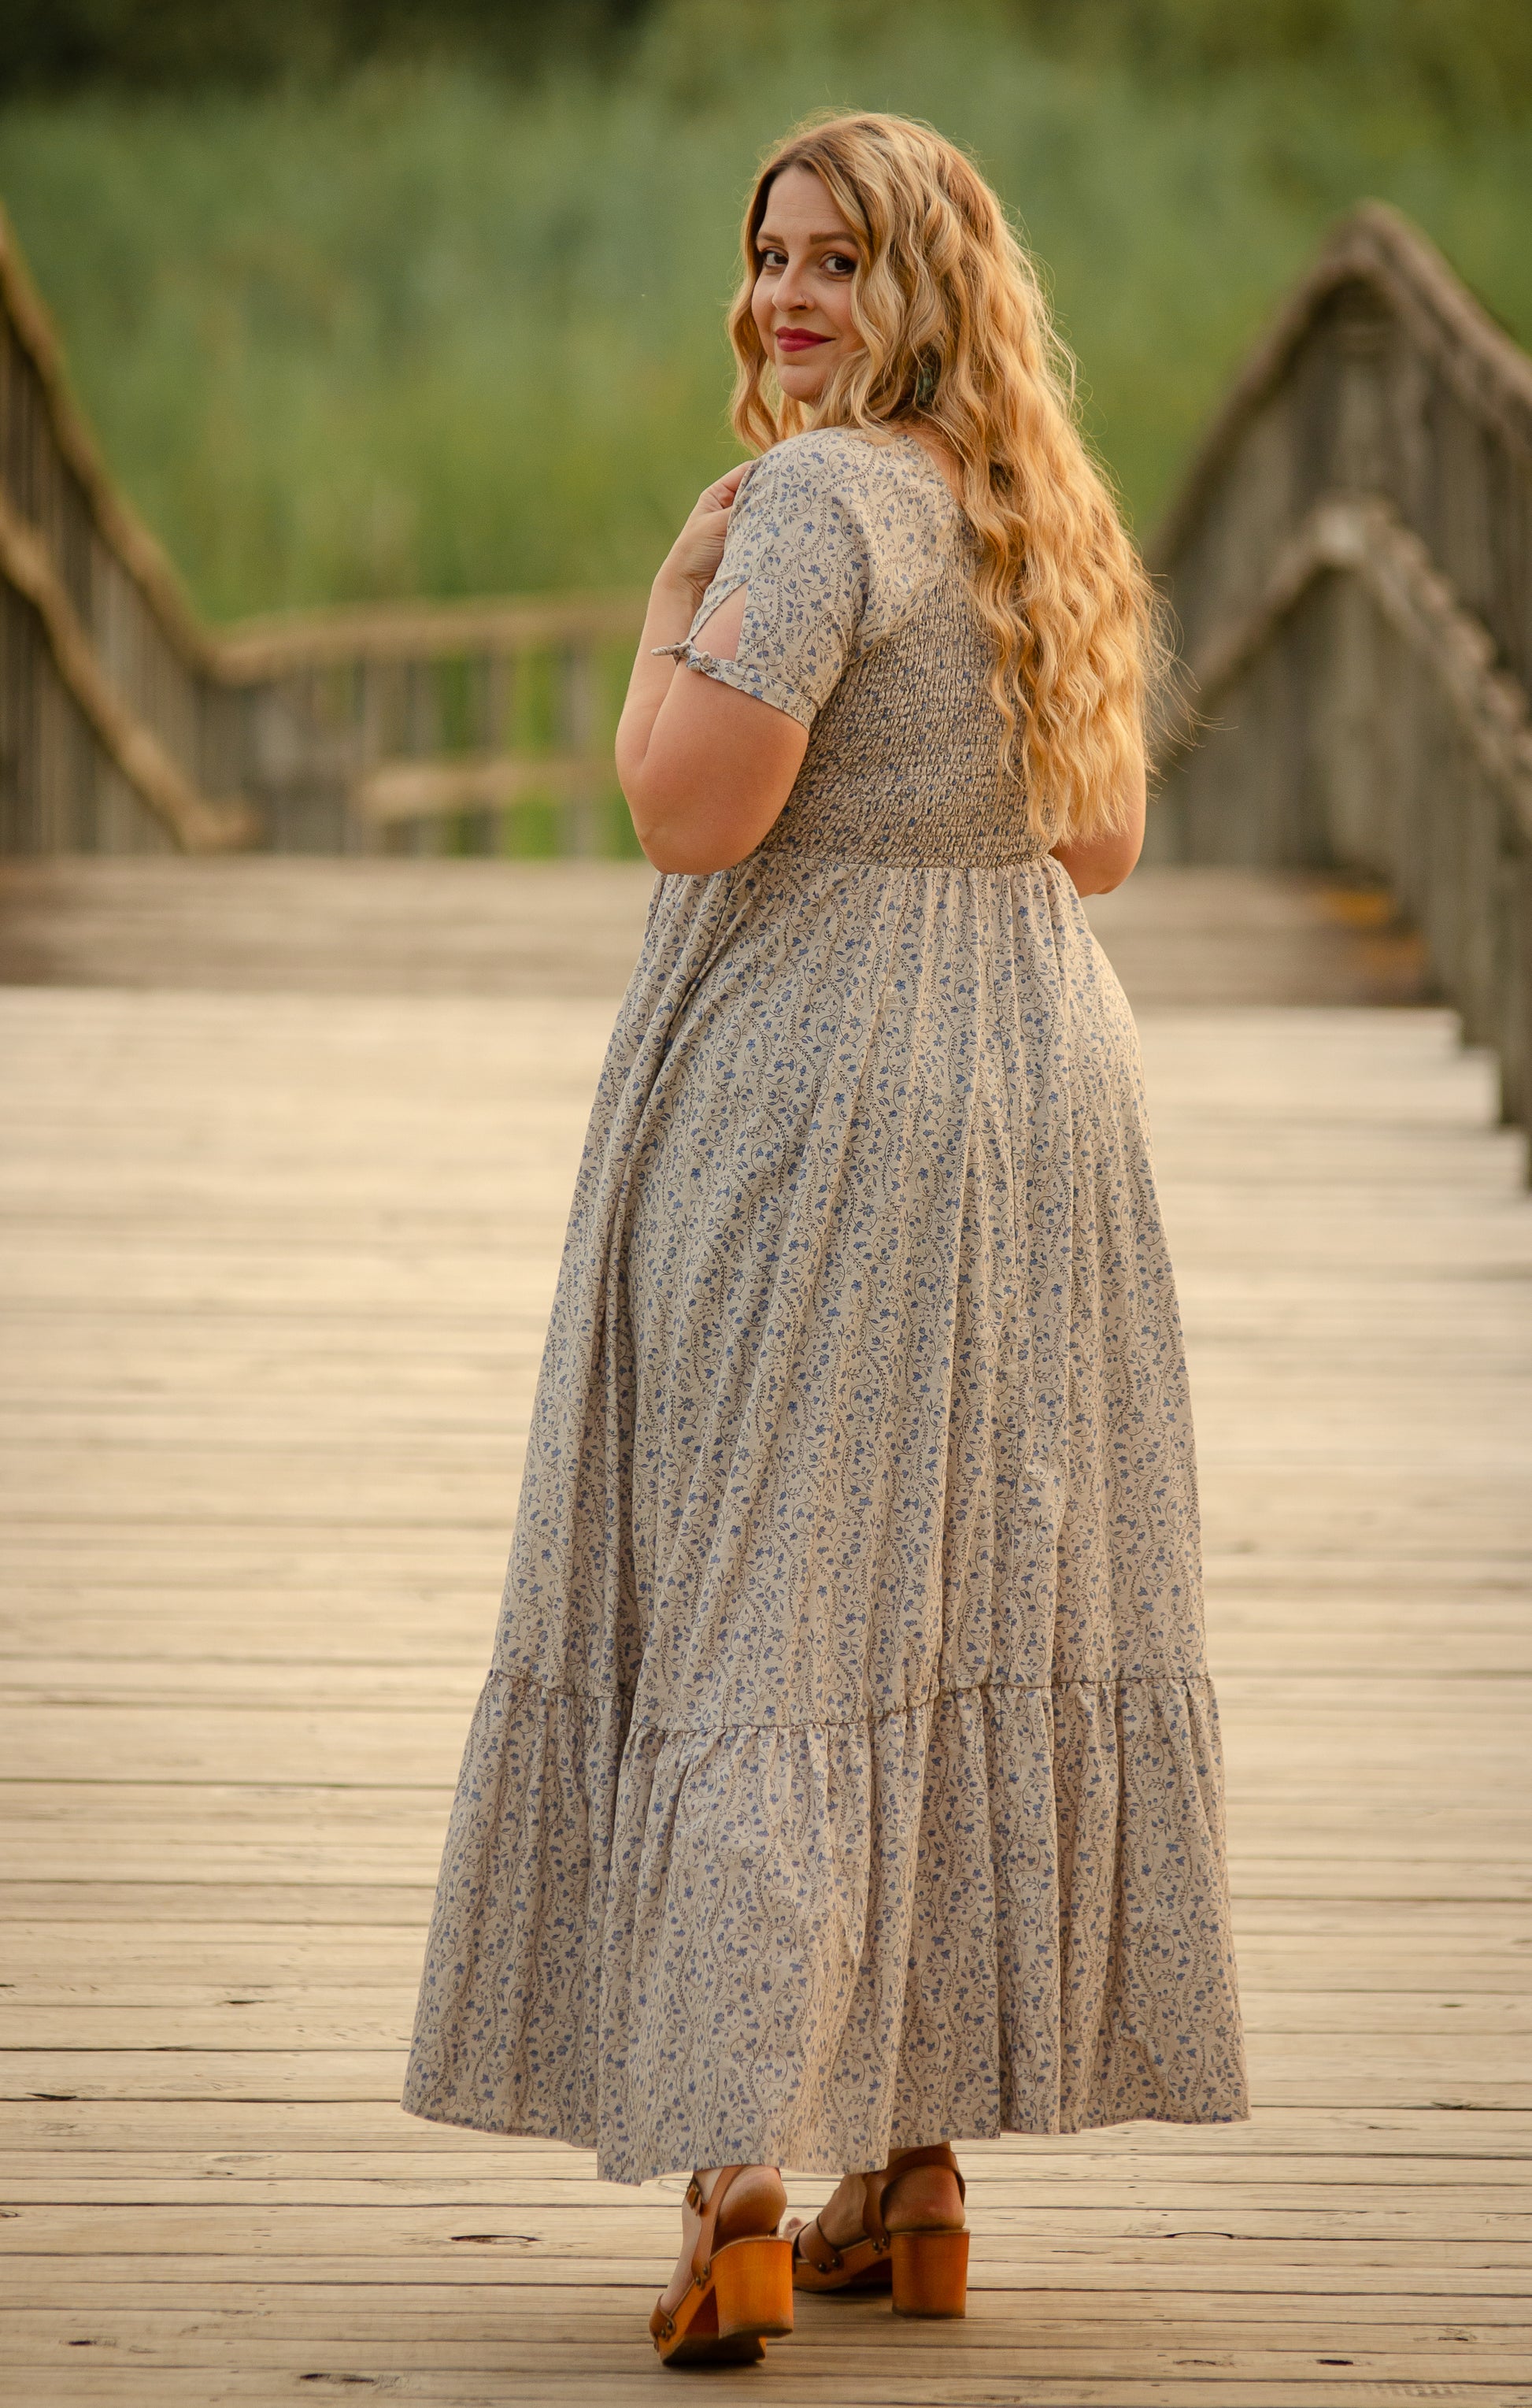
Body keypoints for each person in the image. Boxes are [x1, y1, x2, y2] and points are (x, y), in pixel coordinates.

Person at [402, 109, 1248, 2364]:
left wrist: (670, 613)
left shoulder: (800, 511)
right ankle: (922, 2172)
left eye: (836, 263)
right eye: (769, 254)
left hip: (813, 1094)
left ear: (923, 288)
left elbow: (691, 810)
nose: (785, 296)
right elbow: (1100, 839)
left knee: (767, 1591)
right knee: (957, 1580)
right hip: (1036, 1082)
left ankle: (733, 2181)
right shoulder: (1024, 502)